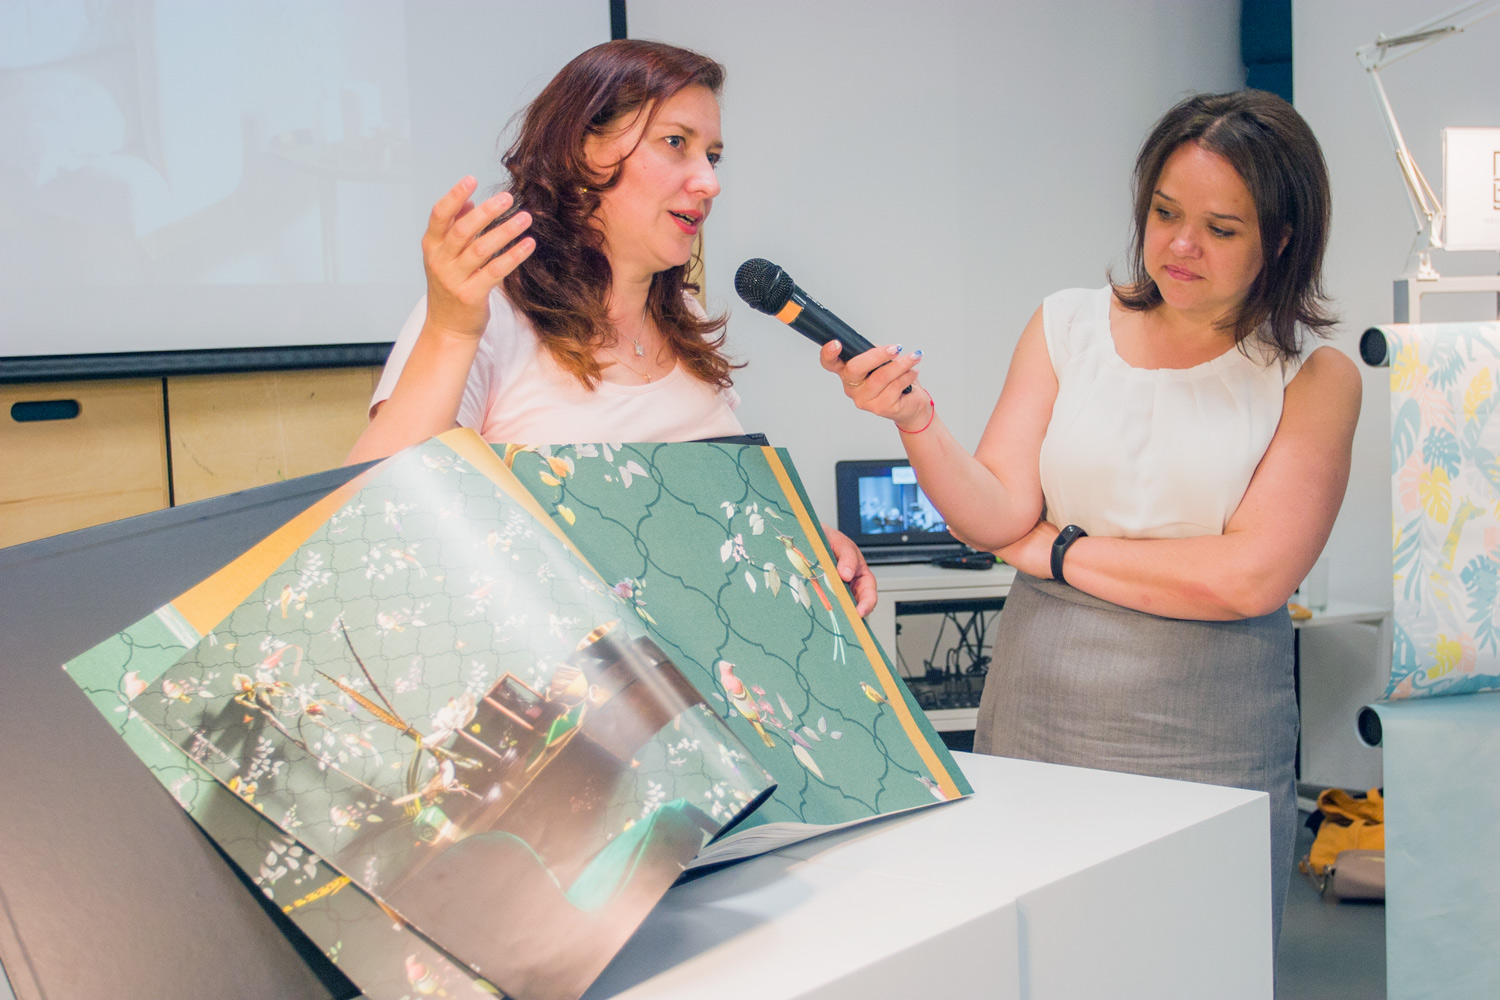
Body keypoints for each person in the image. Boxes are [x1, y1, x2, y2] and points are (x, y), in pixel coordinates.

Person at [820, 90, 1360, 948]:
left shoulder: (1313, 376)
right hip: (1040, 702)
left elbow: (1251, 578)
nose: (1180, 245)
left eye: (1221, 229)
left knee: (1190, 955)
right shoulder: (1067, 324)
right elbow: (994, 518)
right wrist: (916, 421)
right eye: (1165, 213)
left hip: (1214, 724)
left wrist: (1059, 551)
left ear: (1282, 240)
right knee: (1037, 953)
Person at [347, 40, 874, 614]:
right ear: (582, 150)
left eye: (713, 157)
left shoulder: (687, 321)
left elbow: (699, 519)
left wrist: (794, 538)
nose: (709, 182)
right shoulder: (483, 314)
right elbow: (364, 518)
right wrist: (450, 333)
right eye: (675, 143)